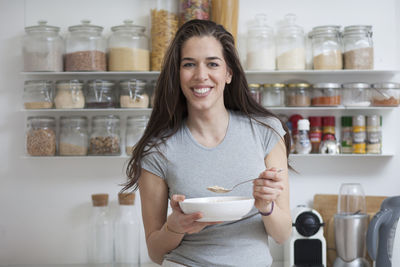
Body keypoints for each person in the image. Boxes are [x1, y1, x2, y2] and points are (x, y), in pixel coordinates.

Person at [124, 19, 292, 267]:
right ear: (178, 74)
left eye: (212, 64)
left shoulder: (266, 131)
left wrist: (266, 206)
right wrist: (174, 228)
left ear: (228, 73)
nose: (201, 75)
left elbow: (282, 234)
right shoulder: (157, 150)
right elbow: (155, 252)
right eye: (189, 64)